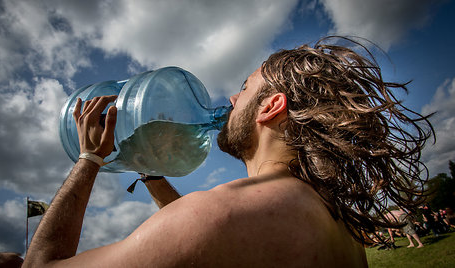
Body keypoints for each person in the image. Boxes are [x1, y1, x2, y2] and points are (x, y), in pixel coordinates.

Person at [23, 36, 433, 267]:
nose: (232, 98)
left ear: (272, 107)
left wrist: (89, 158)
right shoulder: (337, 224)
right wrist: (148, 169)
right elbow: (195, 237)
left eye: (246, 87)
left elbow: (39, 266)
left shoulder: (219, 216)